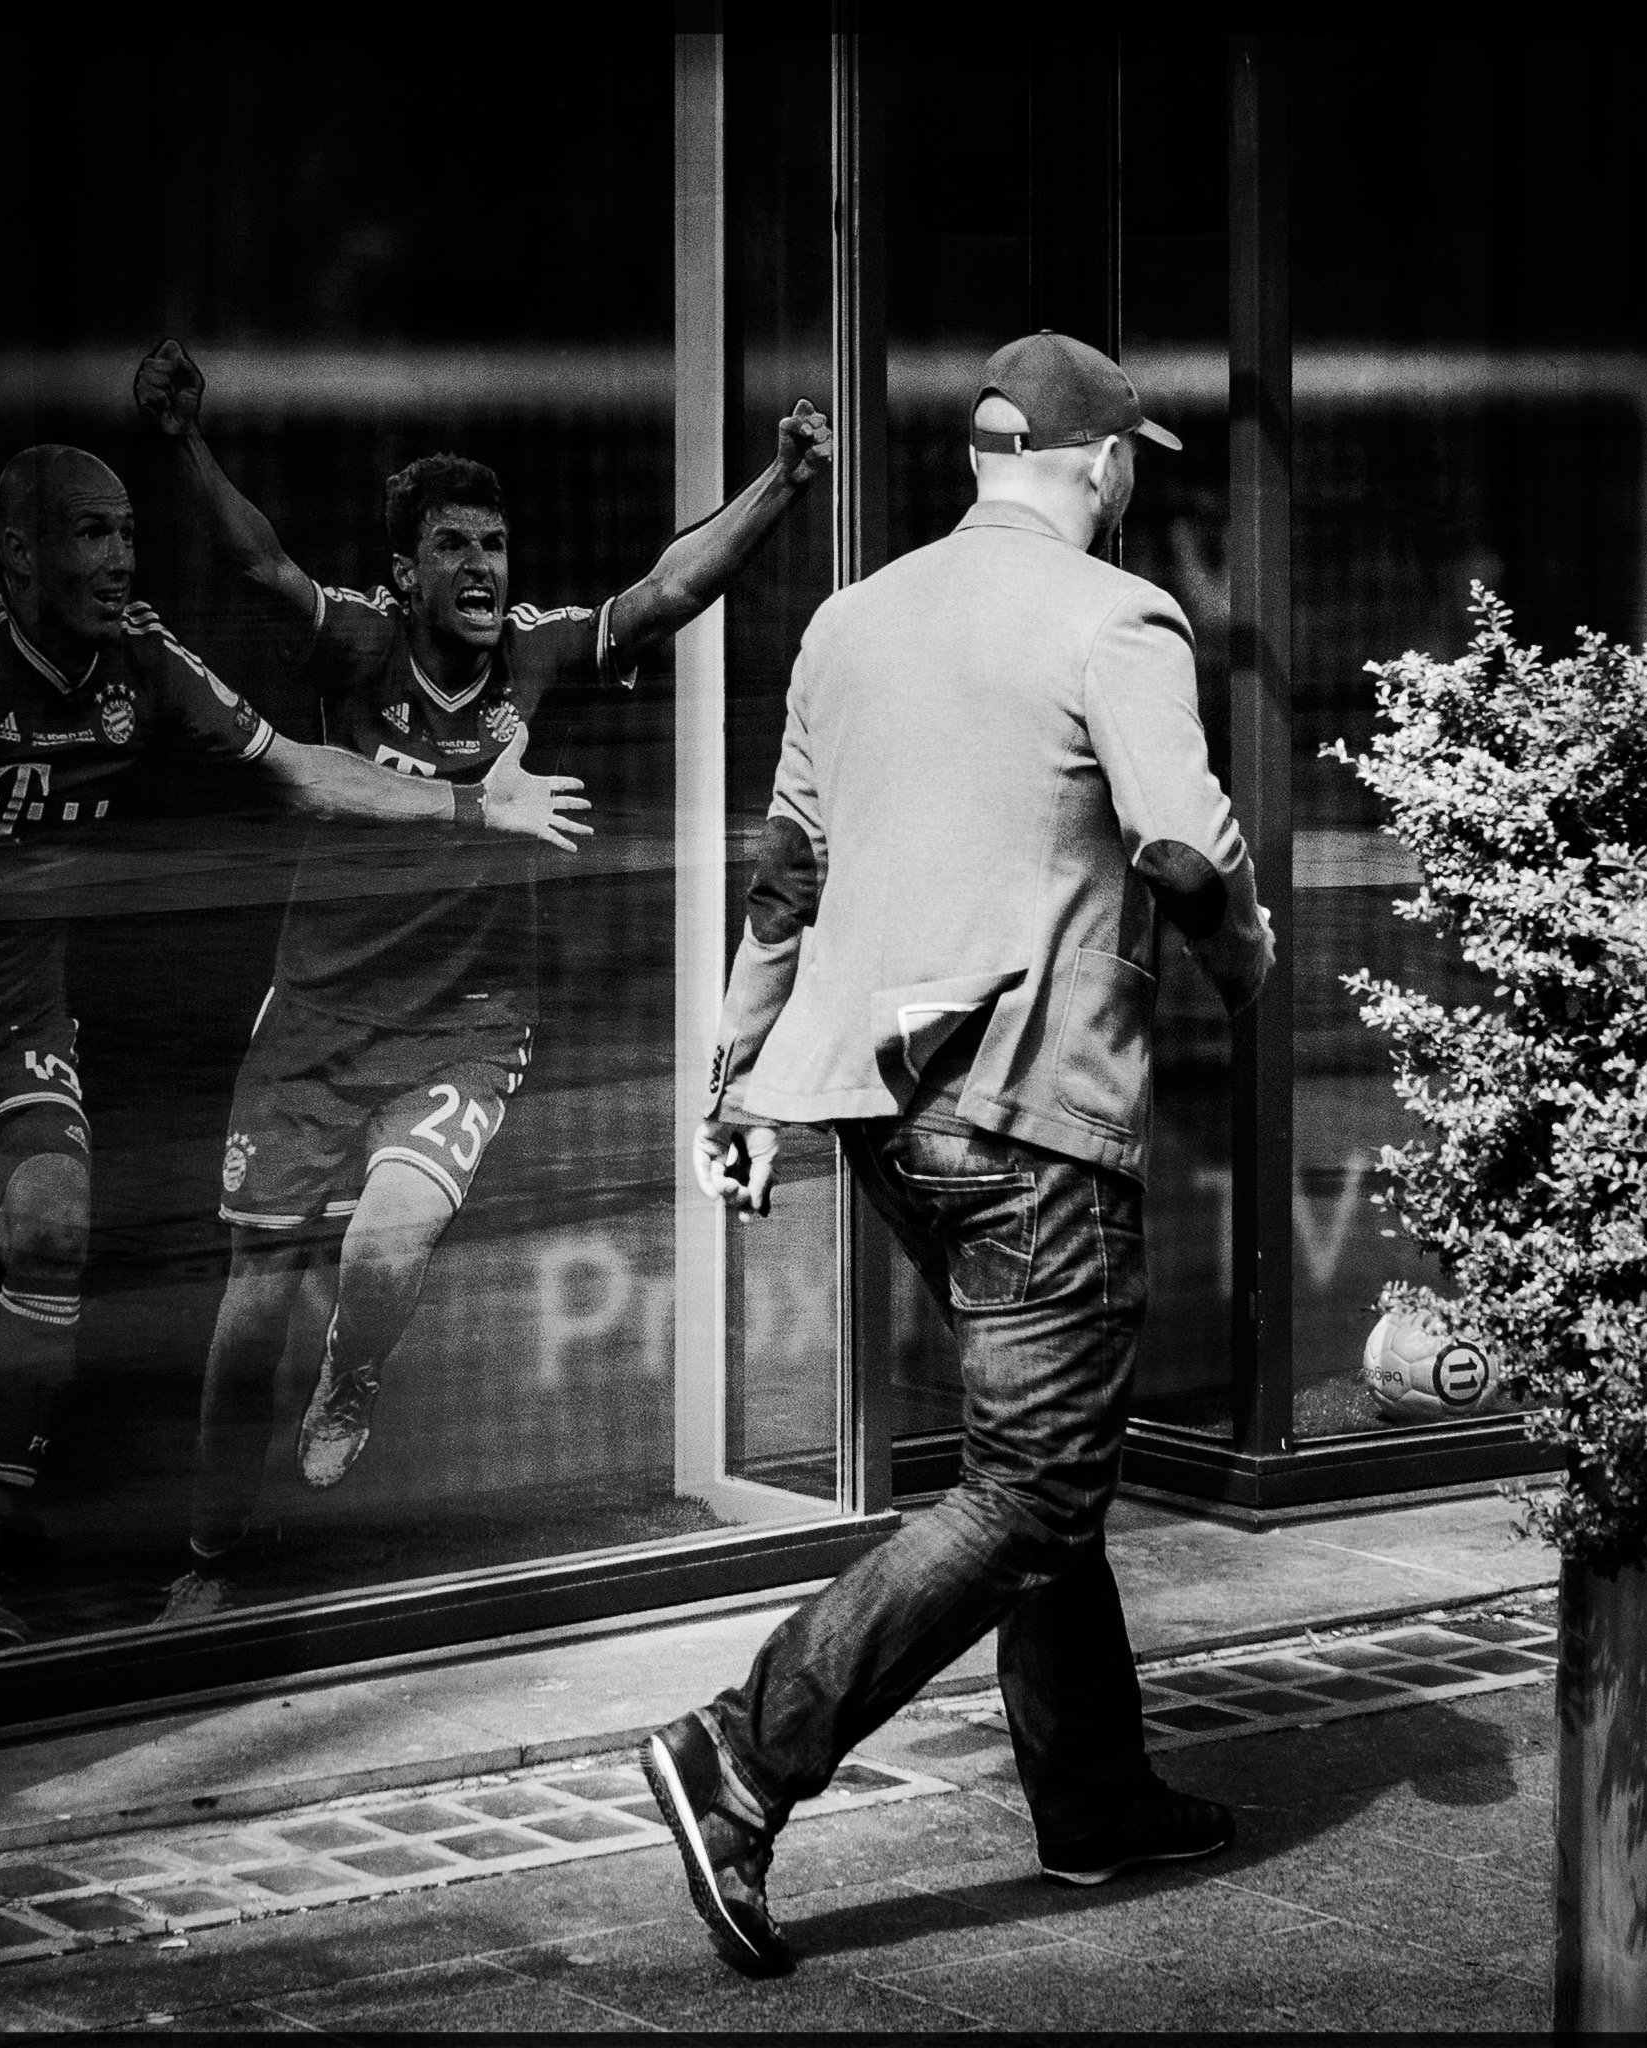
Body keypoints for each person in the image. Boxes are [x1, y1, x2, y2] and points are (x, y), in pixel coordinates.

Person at [643, 331, 1277, 1976]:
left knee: (1036, 1461)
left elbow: (786, 876)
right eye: (1129, 462)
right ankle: (743, 1752)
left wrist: (736, 1084)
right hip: (1029, 1107)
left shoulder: (849, 621)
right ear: (1104, 464)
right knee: (1036, 1484)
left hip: (885, 1116)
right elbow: (1181, 846)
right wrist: (1246, 961)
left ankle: (1093, 1798)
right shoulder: (1119, 616)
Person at [0, 444, 586, 1659]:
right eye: (89, 533)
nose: (119, 559)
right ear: (19, 551)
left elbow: (297, 771)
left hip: (17, 1024)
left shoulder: (144, 655)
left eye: (128, 532)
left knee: (47, 1232)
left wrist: (472, 803)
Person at [130, 341, 833, 1621]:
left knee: (386, 1233)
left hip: (465, 1022)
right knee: (249, 1307)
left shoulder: (532, 653)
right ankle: (208, 1556)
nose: (481, 567)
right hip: (316, 1015)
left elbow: (668, 589)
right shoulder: (357, 644)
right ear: (404, 573)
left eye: (494, 545)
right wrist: (181, 444)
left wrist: (780, 482)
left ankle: (354, 1371)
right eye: (452, 545)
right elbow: (256, 562)